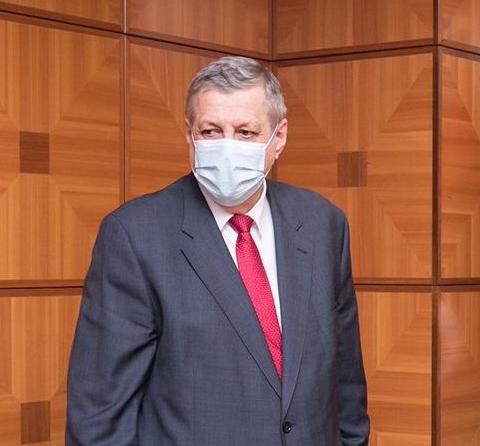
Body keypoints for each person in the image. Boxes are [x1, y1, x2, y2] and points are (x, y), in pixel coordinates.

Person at [65, 56, 369, 445]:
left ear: (279, 137)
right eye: (210, 131)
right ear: (189, 136)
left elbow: (346, 386)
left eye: (245, 132)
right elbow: (99, 416)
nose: (227, 147)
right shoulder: (134, 236)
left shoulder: (323, 224)